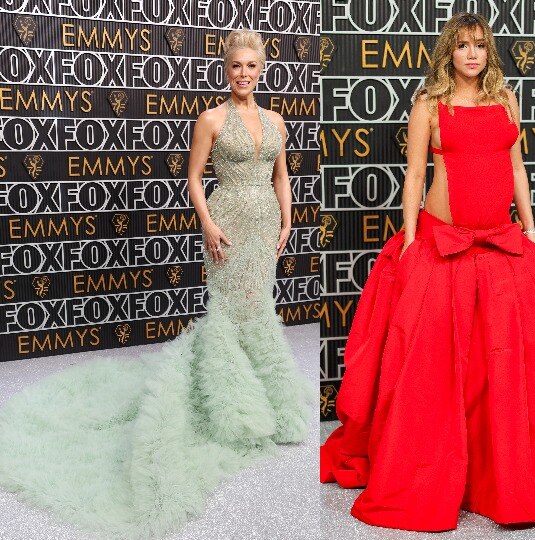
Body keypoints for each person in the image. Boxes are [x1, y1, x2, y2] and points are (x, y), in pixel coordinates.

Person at [319, 12, 535, 532]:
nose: (472, 54)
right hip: (442, 248)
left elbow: (517, 170)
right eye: (463, 45)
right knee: (435, 374)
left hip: (500, 246)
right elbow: (417, 174)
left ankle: (500, 472)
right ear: (449, 51)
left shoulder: (505, 101)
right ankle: (441, 475)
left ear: (490, 53)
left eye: (481, 46)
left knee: (516, 368)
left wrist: (531, 229)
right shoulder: (429, 104)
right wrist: (412, 237)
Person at [0, 29, 312, 538]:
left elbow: (281, 175)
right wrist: (209, 223)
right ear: (225, 69)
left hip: (265, 228)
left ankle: (270, 401)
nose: (244, 74)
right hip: (229, 222)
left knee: (259, 309)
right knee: (230, 311)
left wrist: (287, 219)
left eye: (252, 66)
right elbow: (192, 177)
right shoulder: (210, 119)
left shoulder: (276, 120)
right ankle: (229, 409)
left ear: (262, 69)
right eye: (236, 66)